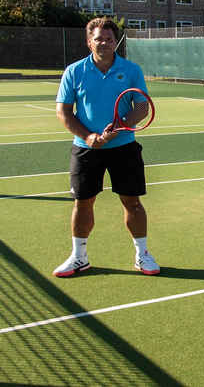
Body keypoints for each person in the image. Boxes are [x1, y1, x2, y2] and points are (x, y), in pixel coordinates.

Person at [53, 17, 159, 277]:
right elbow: (64, 112)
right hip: (85, 149)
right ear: (89, 42)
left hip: (124, 148)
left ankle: (142, 255)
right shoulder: (74, 71)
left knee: (132, 203)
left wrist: (117, 130)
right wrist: (89, 137)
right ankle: (79, 257)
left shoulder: (131, 70)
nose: (104, 43)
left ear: (116, 42)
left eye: (109, 39)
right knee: (82, 203)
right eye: (99, 39)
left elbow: (142, 106)